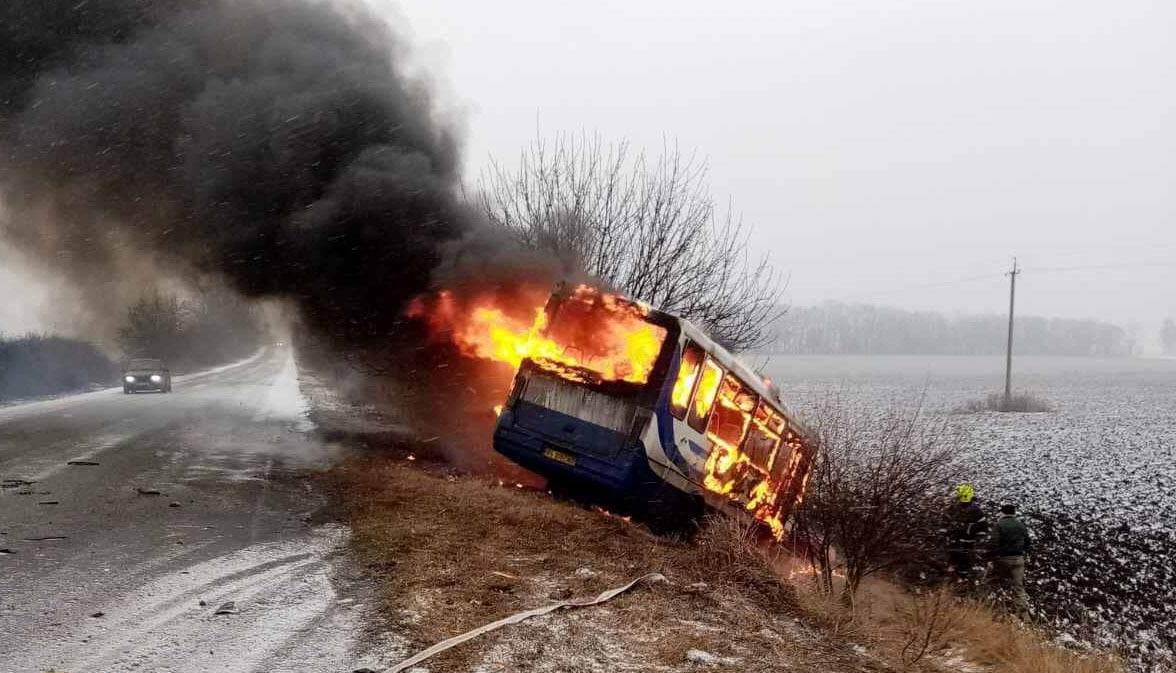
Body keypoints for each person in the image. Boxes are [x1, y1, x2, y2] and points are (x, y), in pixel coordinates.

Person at [990, 502, 1032, 616]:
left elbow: (994, 543)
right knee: (1018, 587)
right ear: (1014, 513)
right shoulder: (1021, 525)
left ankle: (998, 610)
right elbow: (1028, 542)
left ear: (1002, 512)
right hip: (1018, 559)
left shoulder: (999, 525)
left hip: (1003, 559)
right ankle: (1023, 613)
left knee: (995, 582)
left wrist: (992, 556)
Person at [945, 483, 987, 578]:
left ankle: (960, 582)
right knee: (956, 563)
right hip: (958, 542)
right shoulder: (955, 508)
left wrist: (978, 540)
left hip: (965, 543)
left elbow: (982, 527)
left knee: (962, 564)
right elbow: (946, 523)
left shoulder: (975, 510)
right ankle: (955, 583)